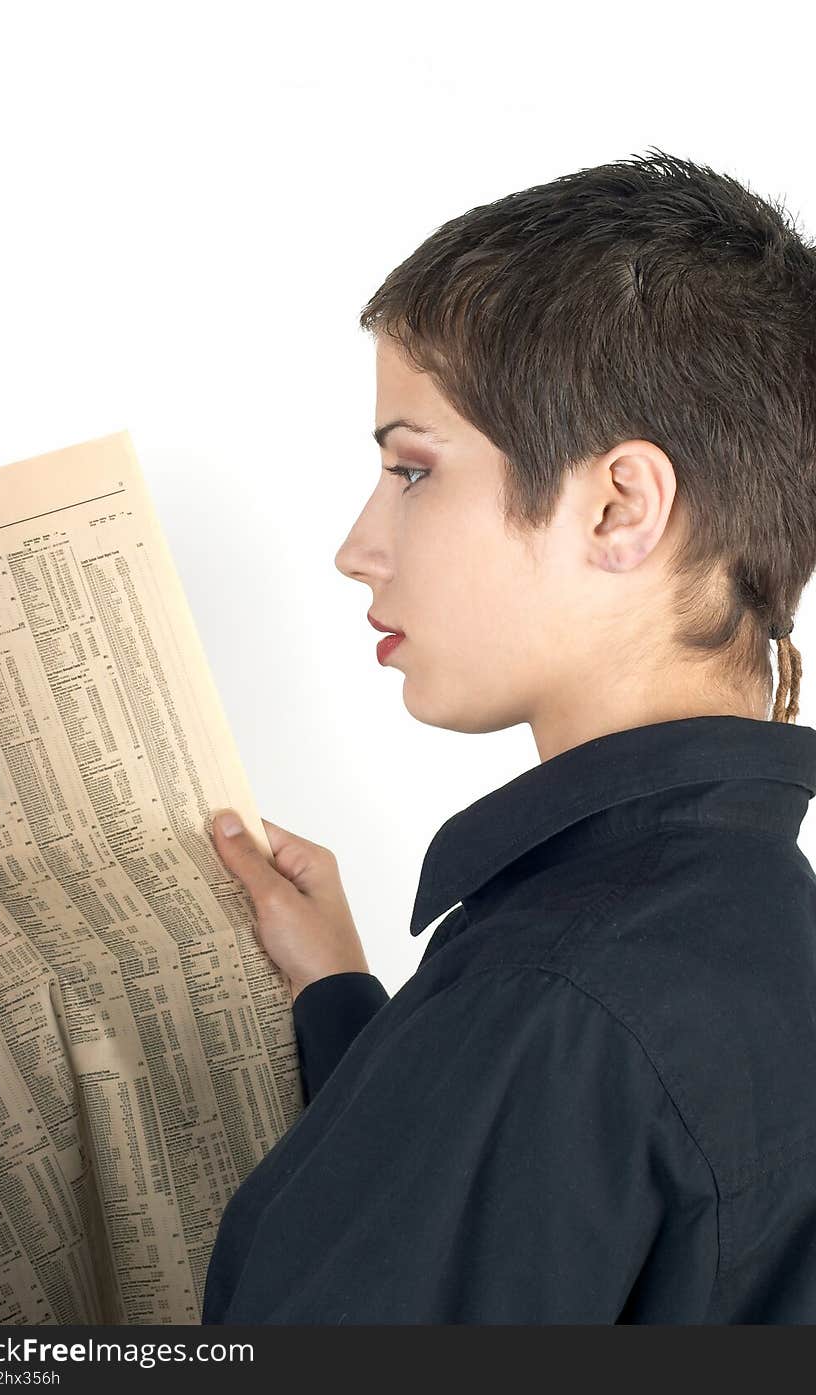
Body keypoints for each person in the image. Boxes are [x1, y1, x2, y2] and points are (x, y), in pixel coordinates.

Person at [201, 148, 816, 1323]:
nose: (357, 545)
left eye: (411, 469)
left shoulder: (556, 1001)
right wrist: (339, 996)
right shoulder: (744, 920)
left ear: (617, 507)